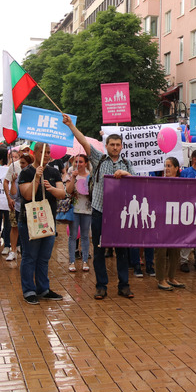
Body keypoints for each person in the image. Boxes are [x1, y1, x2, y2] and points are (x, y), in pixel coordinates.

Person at [63, 114, 134, 300]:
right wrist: (71, 125)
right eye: (112, 144)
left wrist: (126, 174)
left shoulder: (127, 164)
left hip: (120, 214)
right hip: (100, 211)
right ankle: (101, 286)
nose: (115, 147)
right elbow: (83, 141)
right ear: (107, 146)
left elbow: (136, 184)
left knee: (122, 250)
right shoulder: (98, 159)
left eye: (118, 145)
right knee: (99, 250)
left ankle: (124, 285)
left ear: (121, 147)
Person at [18, 142, 66, 304]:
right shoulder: (26, 172)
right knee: (30, 256)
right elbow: (25, 195)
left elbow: (62, 194)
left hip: (49, 220)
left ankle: (43, 288)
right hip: (29, 221)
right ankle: (29, 290)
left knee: (44, 257)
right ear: (37, 153)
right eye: (45, 153)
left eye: (49, 153)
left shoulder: (53, 171)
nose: (48, 155)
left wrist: (52, 189)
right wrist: (36, 178)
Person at [154, 157, 187, 290]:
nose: (166, 168)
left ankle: (171, 276)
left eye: (169, 166)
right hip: (162, 221)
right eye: (165, 165)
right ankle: (161, 279)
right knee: (161, 250)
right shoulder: (160, 183)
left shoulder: (181, 184)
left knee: (175, 250)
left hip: (176, 220)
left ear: (176, 168)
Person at [179, 149, 196, 273]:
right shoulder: (185, 172)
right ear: (194, 159)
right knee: (188, 234)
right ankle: (183, 260)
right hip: (188, 207)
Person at [65, 153, 92, 272]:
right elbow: (68, 191)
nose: (78, 164)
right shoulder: (71, 175)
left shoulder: (90, 176)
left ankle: (85, 261)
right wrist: (73, 179)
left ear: (86, 163)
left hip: (87, 210)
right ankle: (72, 262)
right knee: (73, 236)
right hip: (74, 210)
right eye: (76, 161)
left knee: (85, 236)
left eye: (81, 161)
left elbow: (93, 192)